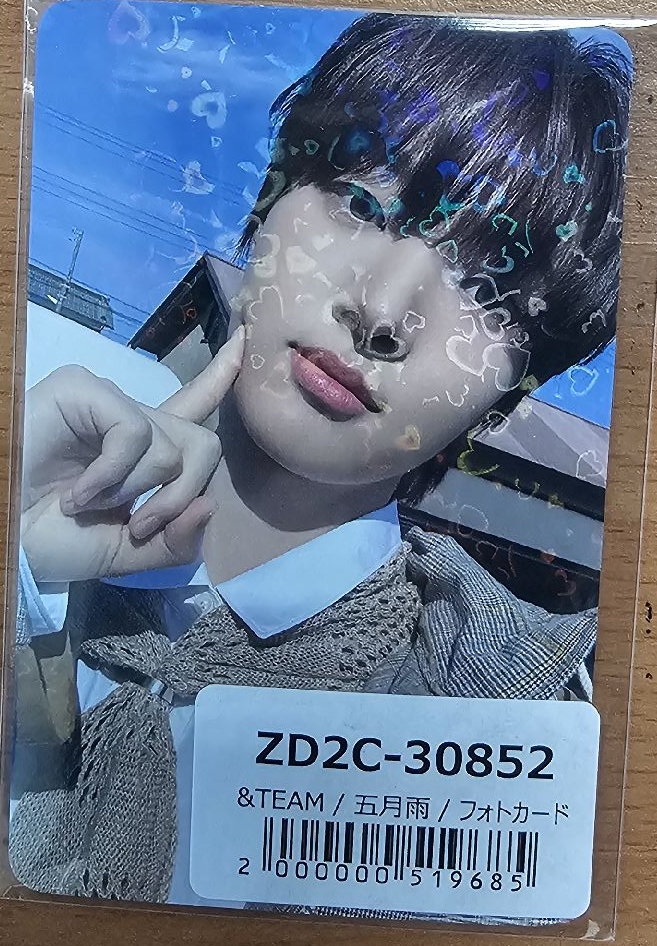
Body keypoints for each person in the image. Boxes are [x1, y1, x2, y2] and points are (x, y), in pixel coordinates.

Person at [9, 13, 629, 914]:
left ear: (508, 392)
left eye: (486, 292)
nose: (381, 312)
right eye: (363, 204)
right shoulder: (36, 514)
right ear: (266, 205)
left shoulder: (499, 721)